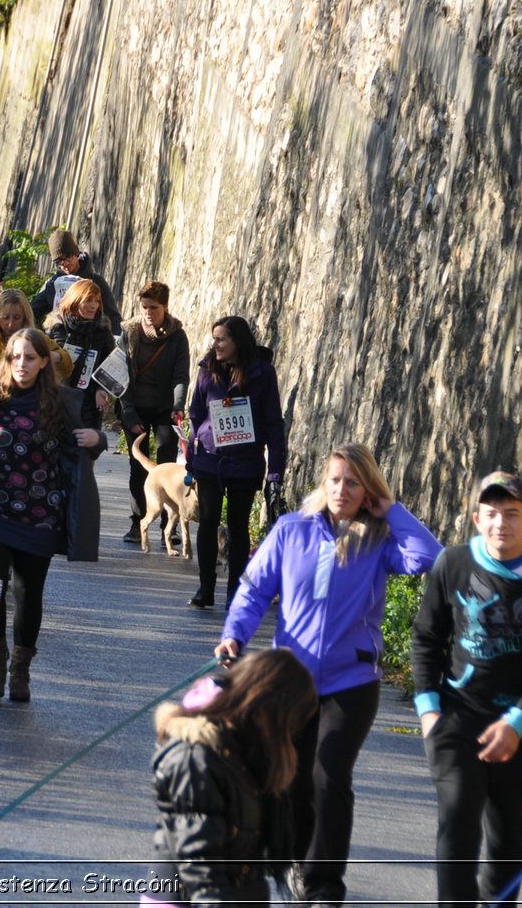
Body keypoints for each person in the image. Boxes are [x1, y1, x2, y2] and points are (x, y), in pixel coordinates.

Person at [216, 443, 442, 906]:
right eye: (335, 479)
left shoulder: (378, 540)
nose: (342, 490)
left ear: (368, 491)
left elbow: (430, 558)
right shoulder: (290, 531)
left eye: (354, 482)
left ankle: (325, 888)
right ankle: (300, 862)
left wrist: (392, 511)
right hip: (291, 683)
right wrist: (234, 636)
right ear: (323, 483)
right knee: (293, 780)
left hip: (352, 681)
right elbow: (254, 590)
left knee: (329, 775)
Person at [411, 471, 522, 908]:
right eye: (491, 513)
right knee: (458, 822)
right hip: (457, 717)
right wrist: (430, 711)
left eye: (511, 513)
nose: (500, 523)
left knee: (506, 837)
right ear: (476, 518)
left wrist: (518, 723)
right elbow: (426, 638)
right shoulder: (453, 564)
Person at [0, 328, 105, 702]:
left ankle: (20, 669)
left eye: (30, 357)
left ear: (44, 361)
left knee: (29, 594)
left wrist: (99, 440)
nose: (22, 365)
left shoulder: (61, 402)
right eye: (15, 357)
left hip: (41, 513)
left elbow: (89, 436)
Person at [152, 649, 319, 906]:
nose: (291, 736)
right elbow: (198, 858)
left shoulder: (250, 752)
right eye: (289, 723)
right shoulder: (197, 757)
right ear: (269, 709)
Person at [184, 315, 287, 609]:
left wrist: (276, 470)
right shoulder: (207, 370)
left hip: (245, 461)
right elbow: (196, 412)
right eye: (213, 338)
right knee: (207, 523)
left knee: (239, 526)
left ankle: (235, 594)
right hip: (210, 459)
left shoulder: (262, 373)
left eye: (221, 339)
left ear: (238, 341)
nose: (214, 344)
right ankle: (205, 588)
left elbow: (272, 423)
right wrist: (195, 450)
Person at [118, 281, 192, 545]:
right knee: (138, 465)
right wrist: (127, 410)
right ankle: (137, 522)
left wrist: (178, 407)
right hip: (134, 405)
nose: (148, 312)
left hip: (164, 409)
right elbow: (120, 374)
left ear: (166, 306)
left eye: (154, 307)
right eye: (144, 307)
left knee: (166, 465)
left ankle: (168, 526)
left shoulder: (177, 336)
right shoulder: (130, 332)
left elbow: (181, 375)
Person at [44, 278, 116, 428]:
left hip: (89, 402)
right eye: (88, 300)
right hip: (59, 401)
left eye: (97, 301)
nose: (93, 305)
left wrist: (101, 389)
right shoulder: (57, 329)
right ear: (75, 301)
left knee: (87, 448)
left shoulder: (102, 331)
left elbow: (110, 364)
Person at [0, 289, 72, 385]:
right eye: (5, 317)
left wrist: (51, 356)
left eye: (17, 317)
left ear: (25, 317)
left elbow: (67, 367)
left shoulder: (37, 337)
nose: (10, 324)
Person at [31, 229, 122, 330]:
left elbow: (113, 317)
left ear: (76, 254)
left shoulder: (96, 281)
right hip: (60, 342)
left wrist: (117, 342)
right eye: (59, 260)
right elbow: (31, 314)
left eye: (68, 257)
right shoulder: (52, 285)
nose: (65, 263)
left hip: (93, 340)